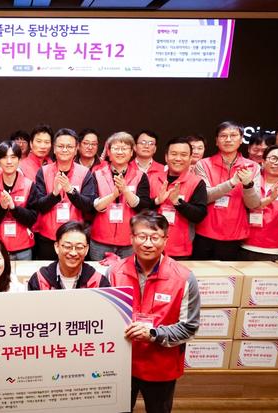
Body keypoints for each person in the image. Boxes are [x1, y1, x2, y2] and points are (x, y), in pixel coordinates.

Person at [108, 210, 200, 413]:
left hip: (161, 366)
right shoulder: (114, 272)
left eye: (155, 237)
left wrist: (153, 334)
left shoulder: (184, 278)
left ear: (165, 240)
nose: (148, 243)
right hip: (122, 364)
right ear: (131, 238)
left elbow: (190, 328)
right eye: (142, 236)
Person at [192, 121, 261, 260]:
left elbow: (254, 204)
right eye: (223, 136)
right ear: (216, 141)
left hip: (234, 234)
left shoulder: (252, 167)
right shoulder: (203, 164)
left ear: (241, 140)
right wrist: (232, 183)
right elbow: (205, 197)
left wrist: (248, 185)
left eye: (233, 135)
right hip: (205, 232)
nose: (228, 139)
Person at [31, 128, 97, 260]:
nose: (65, 150)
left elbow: (89, 206)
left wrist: (71, 191)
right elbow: (39, 206)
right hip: (48, 237)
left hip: (75, 238)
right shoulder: (43, 172)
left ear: (76, 149)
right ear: (54, 149)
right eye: (61, 146)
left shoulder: (85, 173)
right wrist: (54, 194)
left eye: (69, 146)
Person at [91, 132, 152, 260]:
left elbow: (144, 206)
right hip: (100, 239)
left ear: (131, 152)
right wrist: (113, 196)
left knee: (128, 272)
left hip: (129, 240)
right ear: (108, 152)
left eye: (124, 148)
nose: (120, 152)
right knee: (100, 272)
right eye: (116, 148)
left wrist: (125, 191)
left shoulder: (140, 176)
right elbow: (92, 206)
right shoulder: (97, 174)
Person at [149, 137, 207, 259]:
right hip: (149, 247)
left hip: (180, 250)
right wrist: (156, 201)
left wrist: (178, 202)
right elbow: (141, 209)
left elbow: (199, 215)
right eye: (174, 154)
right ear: (166, 157)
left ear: (190, 158)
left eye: (184, 155)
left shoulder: (197, 182)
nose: (178, 158)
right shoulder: (151, 178)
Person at [0, 141, 37, 260]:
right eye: (5, 157)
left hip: (23, 247)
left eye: (13, 157)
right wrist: (1, 208)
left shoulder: (29, 185)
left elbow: (32, 219)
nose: (9, 161)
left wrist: (14, 208)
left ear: (19, 160)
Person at [27, 221, 110, 290]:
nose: (73, 253)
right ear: (57, 247)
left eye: (79, 247)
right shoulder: (39, 280)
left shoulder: (98, 282)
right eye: (67, 246)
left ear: (86, 249)